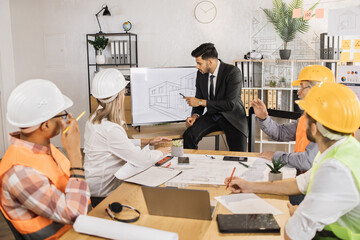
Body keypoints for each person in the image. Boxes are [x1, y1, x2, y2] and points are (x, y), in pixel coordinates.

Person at [226, 82, 360, 239]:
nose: (303, 119)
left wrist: (297, 214)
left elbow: (292, 235)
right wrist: (249, 186)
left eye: (307, 116)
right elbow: (298, 183)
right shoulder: (344, 148)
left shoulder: (334, 169)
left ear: (315, 128)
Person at [0, 79, 90, 239]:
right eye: (62, 115)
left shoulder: (45, 149)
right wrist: (75, 154)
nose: (66, 120)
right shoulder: (20, 173)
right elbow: (76, 215)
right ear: (46, 125)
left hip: (79, 231)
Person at [84, 68, 171, 207]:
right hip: (101, 196)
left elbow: (116, 145)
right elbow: (141, 160)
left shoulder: (96, 118)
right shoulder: (111, 128)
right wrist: (162, 152)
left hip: (93, 187)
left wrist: (145, 141)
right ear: (119, 97)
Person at [251, 65, 335, 171]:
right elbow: (280, 132)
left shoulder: (330, 120)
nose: (298, 92)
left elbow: (307, 161)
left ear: (316, 89)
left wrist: (276, 156)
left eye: (302, 87)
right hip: (306, 177)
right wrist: (263, 118)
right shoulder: (308, 117)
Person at [183, 43, 248, 151]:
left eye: (199, 63)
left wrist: (199, 102)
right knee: (189, 136)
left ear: (210, 62)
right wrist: (195, 116)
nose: (197, 67)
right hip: (212, 115)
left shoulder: (232, 72)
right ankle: (194, 166)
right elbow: (199, 98)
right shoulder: (201, 74)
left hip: (233, 117)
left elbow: (229, 104)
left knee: (239, 156)